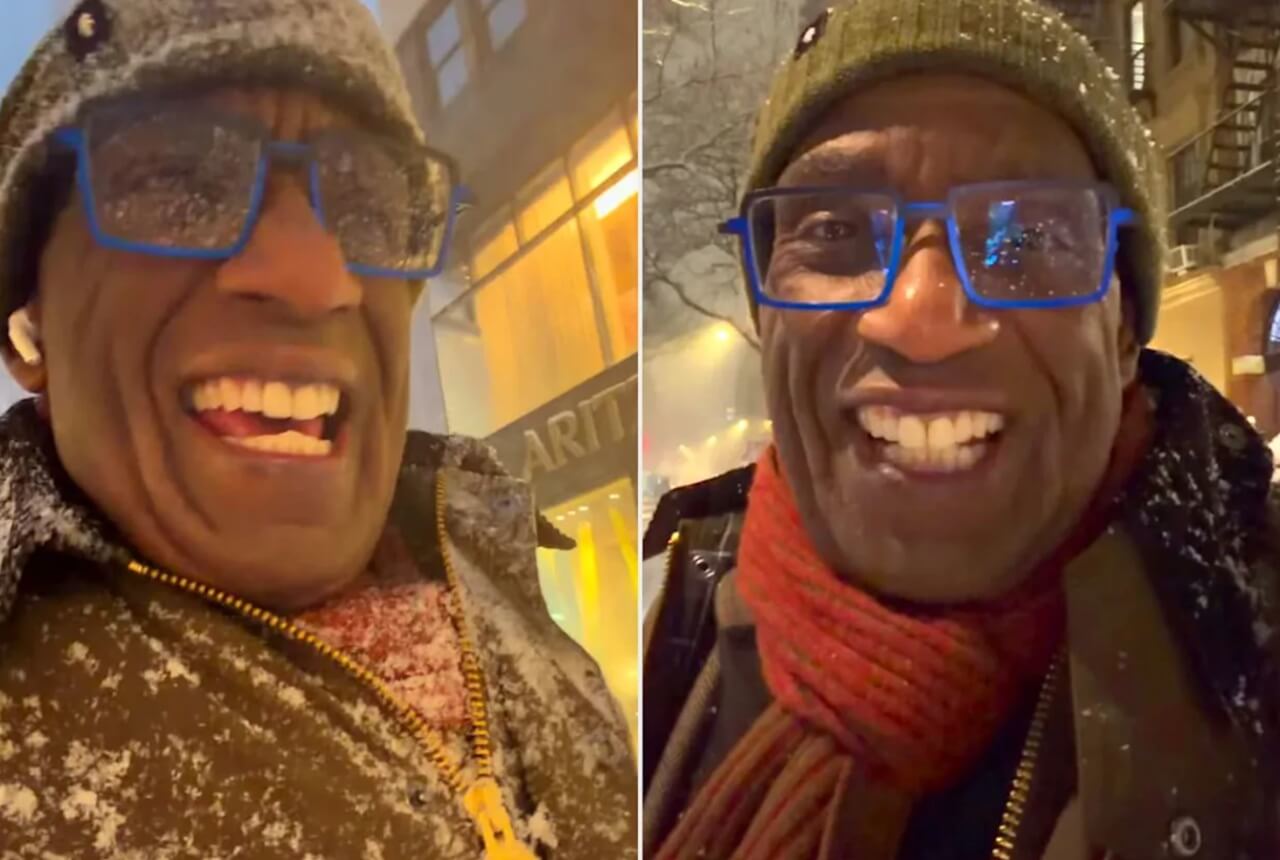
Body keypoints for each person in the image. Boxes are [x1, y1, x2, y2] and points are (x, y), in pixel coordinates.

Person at [642, 0, 1279, 857]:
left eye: (1024, 237)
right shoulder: (666, 617)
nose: (920, 317)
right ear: (765, 316)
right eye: (835, 233)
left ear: (1125, 328)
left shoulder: (1254, 658)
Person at [0, 1, 635, 857]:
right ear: (25, 323)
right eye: (180, 188)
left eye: (367, 203)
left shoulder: (503, 584)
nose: (316, 277)